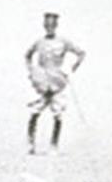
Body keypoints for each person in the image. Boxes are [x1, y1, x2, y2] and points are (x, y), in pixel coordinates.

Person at [24, 12, 85, 155]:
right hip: (41, 83)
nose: (49, 27)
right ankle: (30, 144)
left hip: (57, 82)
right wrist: (32, 72)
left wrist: (71, 68)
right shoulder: (39, 42)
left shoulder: (63, 41)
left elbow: (81, 53)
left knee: (58, 114)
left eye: (52, 25)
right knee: (34, 112)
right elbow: (27, 55)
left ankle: (53, 145)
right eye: (47, 25)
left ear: (56, 26)